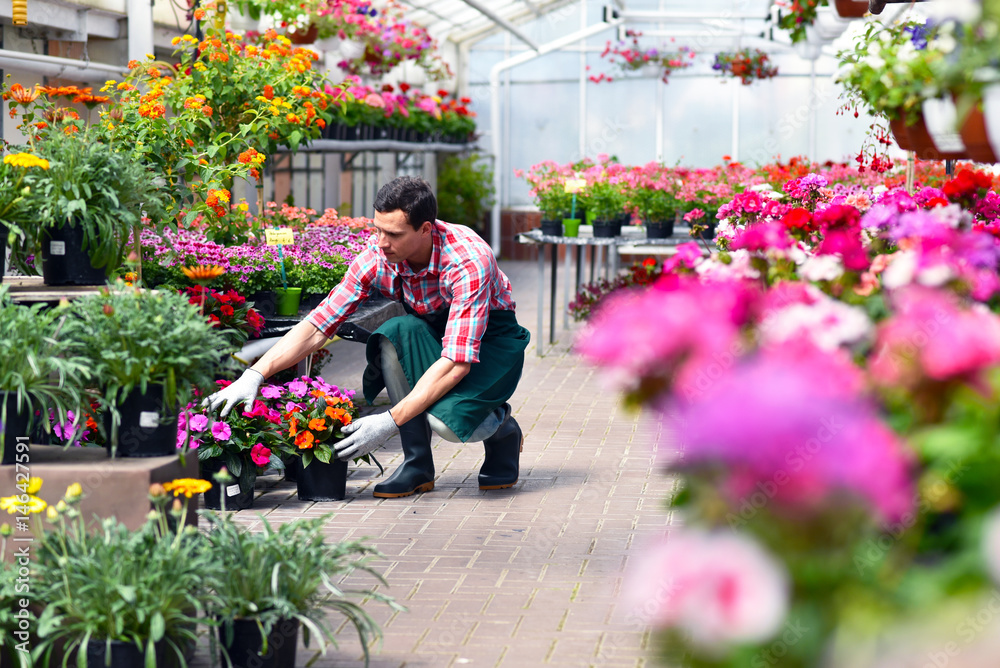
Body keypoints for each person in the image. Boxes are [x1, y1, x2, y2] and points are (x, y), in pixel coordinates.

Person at [206, 176, 530, 498]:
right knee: (395, 333)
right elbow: (320, 324)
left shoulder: (467, 261)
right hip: (434, 330)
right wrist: (255, 374)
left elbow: (456, 363)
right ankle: (417, 463)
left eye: (393, 234)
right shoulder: (378, 258)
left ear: (426, 230)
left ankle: (502, 430)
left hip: (490, 339)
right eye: (377, 229)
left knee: (448, 422)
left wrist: (388, 422)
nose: (381, 242)